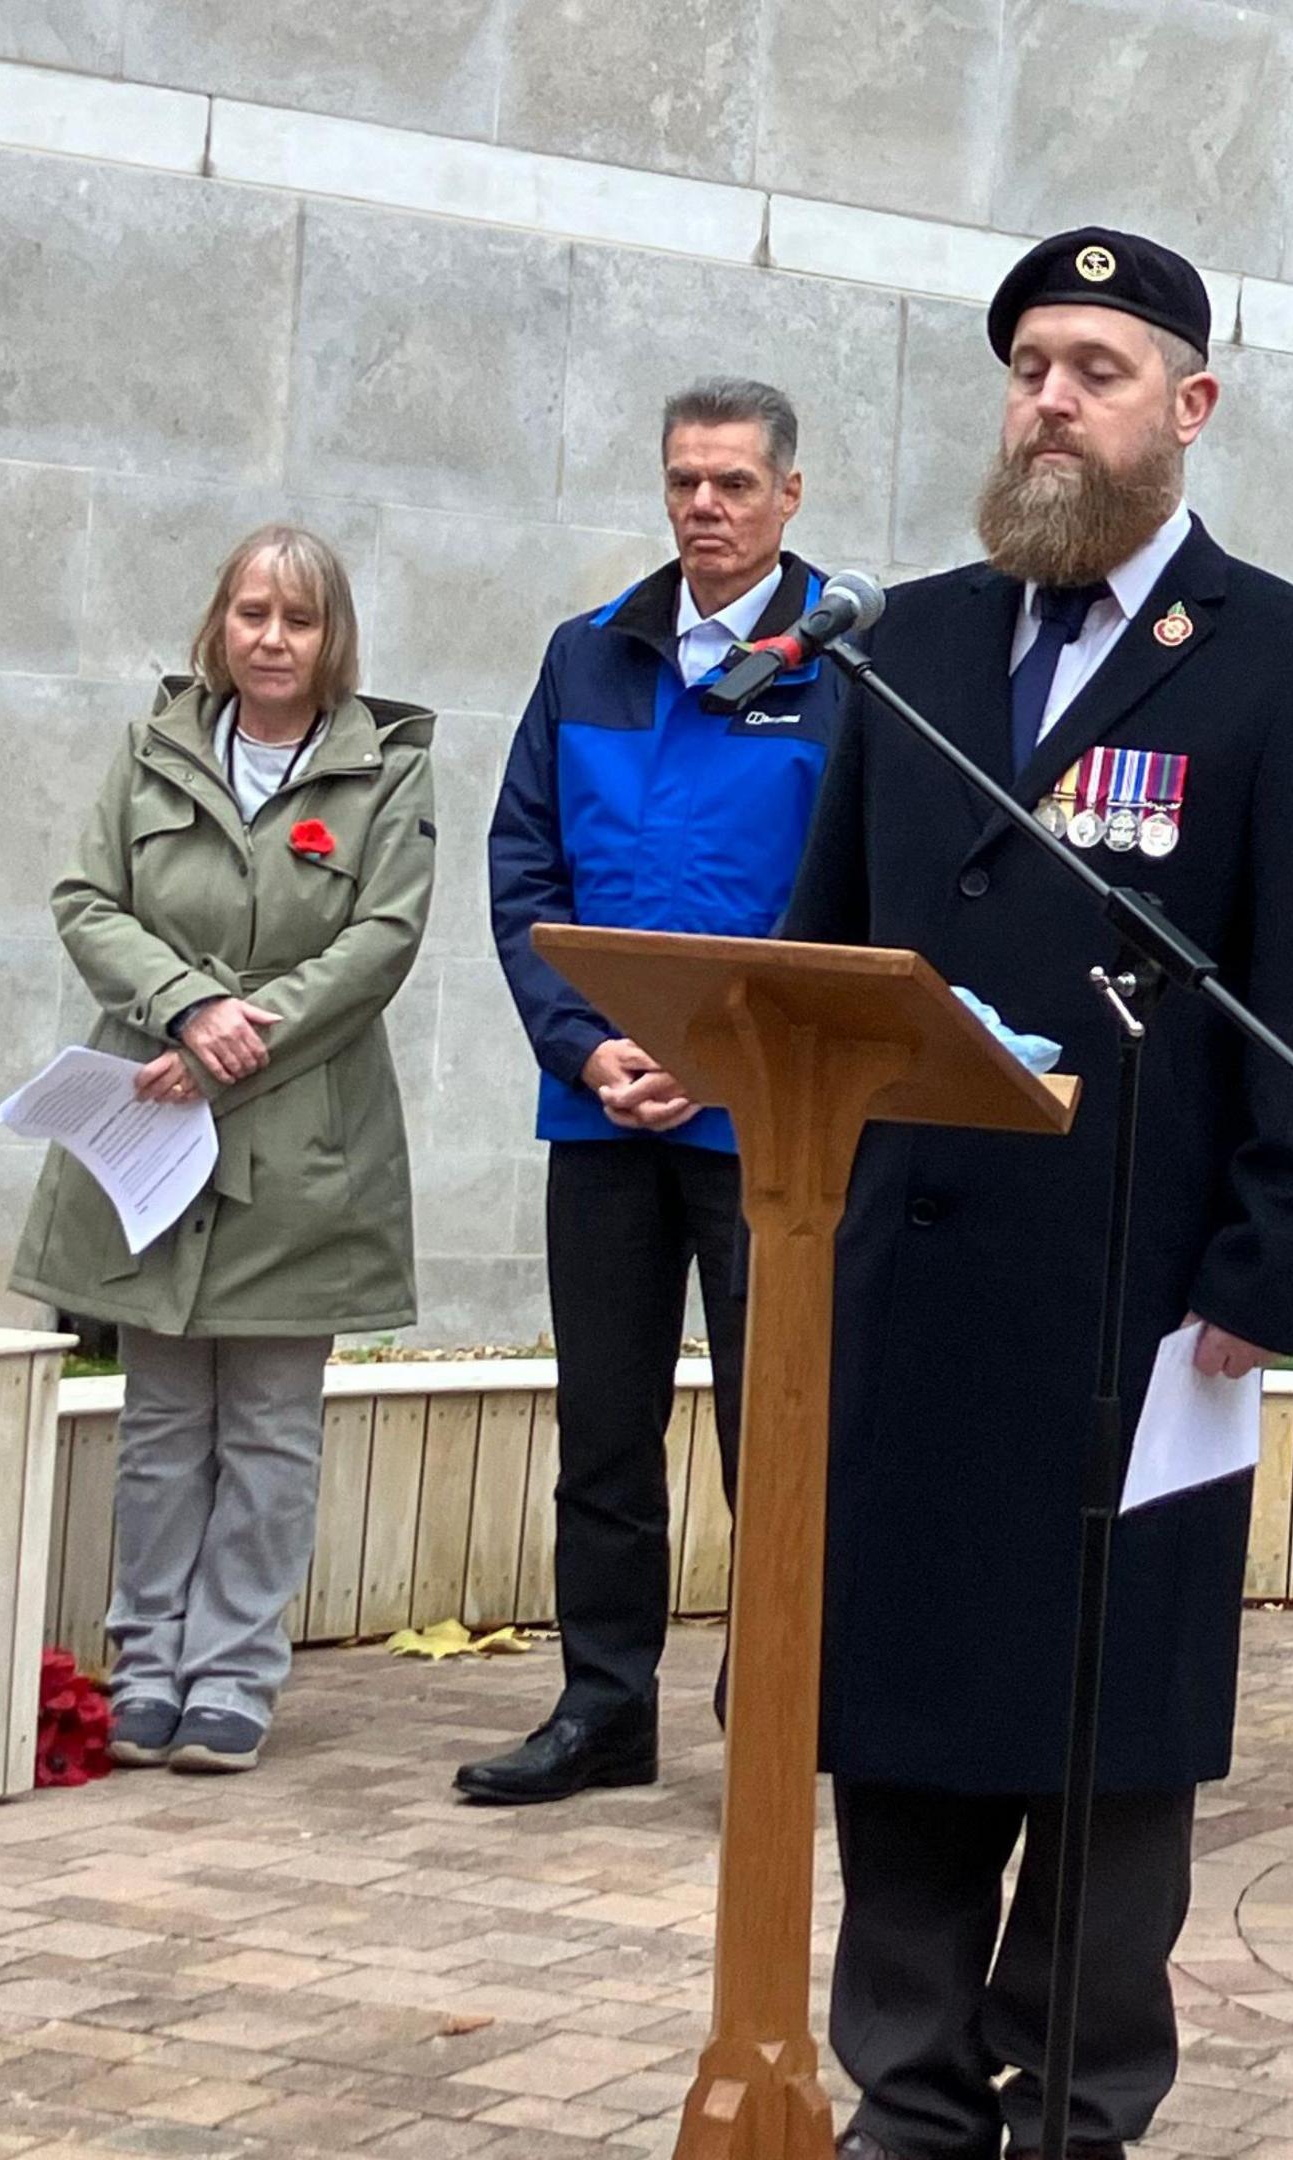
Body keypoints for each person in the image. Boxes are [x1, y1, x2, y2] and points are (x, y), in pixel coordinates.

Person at [782, 227, 1293, 2160]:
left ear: (1189, 406)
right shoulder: (910, 645)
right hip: (910, 1279)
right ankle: (904, 2098)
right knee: (901, 1704)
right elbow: (826, 946)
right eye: (1030, 366)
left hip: (1138, 1296)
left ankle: (1073, 2102)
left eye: (1097, 370)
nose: (1050, 400)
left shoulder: (1290, 660)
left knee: (1107, 1726)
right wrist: (714, 1059)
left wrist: (1271, 1271)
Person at [460, 378, 850, 1806]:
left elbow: (849, 897)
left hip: (766, 1125)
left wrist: (724, 1053)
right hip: (604, 1111)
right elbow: (526, 866)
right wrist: (586, 1046)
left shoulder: (846, 672)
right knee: (604, 1428)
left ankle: (777, 1709)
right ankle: (604, 1707)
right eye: (686, 480)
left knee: (775, 1430)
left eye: (735, 484)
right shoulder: (590, 657)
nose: (706, 507)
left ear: (789, 495)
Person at [9, 524, 437, 1776]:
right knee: (158, 1420)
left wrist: (240, 1037)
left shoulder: (386, 772)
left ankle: (235, 1674)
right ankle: (146, 1666)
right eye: (253, 613)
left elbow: (381, 941)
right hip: (151, 1116)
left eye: (299, 619)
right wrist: (186, 1008)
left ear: (332, 638)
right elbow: (86, 901)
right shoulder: (152, 751)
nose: (272, 639)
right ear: (220, 623)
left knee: (268, 1428)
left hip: (306, 1138)